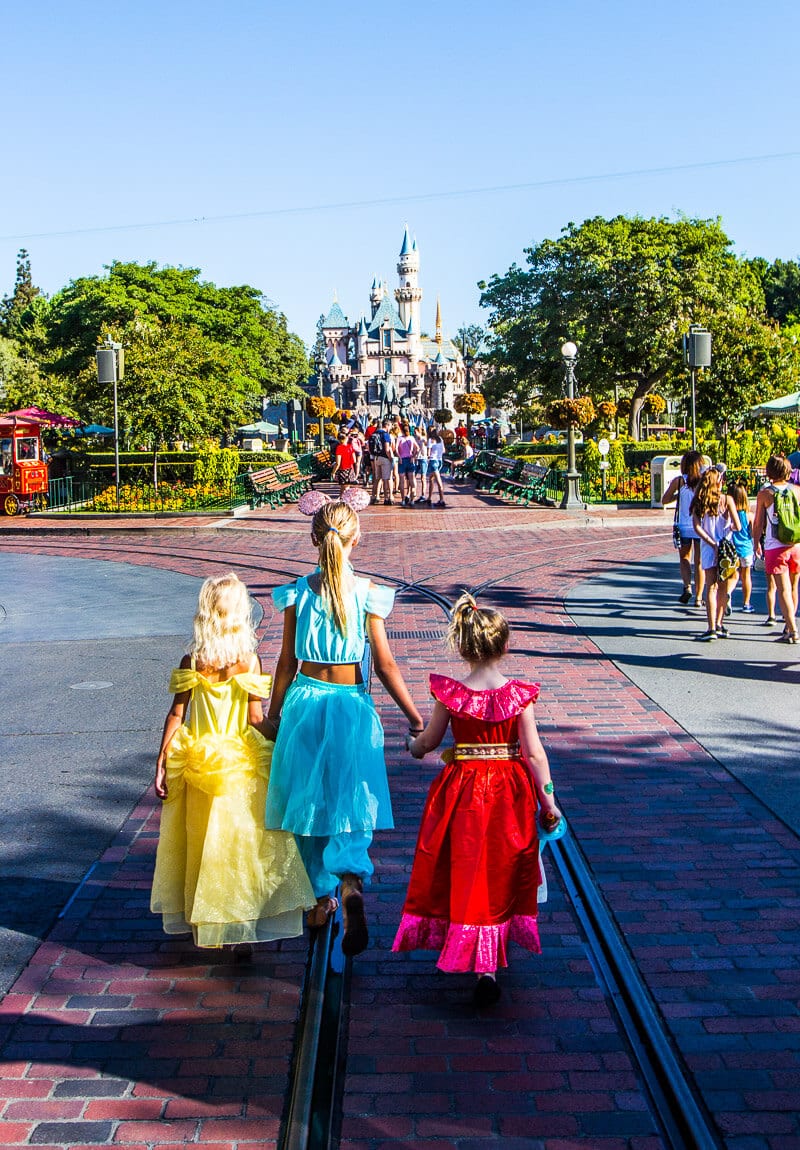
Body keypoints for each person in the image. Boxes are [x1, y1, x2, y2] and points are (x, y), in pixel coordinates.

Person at [264, 499, 424, 955]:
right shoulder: (367, 593)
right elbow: (388, 665)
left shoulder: (298, 591)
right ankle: (351, 884)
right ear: (356, 540)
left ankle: (318, 900)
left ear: (314, 539)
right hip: (350, 705)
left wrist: (274, 716)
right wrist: (415, 720)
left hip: (305, 703)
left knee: (308, 805)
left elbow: (284, 663)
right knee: (351, 801)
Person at [393, 593, 560, 1006]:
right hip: (508, 790)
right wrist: (549, 800)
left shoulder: (450, 694)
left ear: (464, 648)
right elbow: (535, 753)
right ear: (504, 646)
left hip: (463, 789)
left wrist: (412, 746)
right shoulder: (518, 696)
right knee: (500, 867)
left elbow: (429, 742)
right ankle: (489, 962)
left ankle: (469, 944)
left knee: (465, 866)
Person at [150, 573, 315, 953]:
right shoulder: (248, 661)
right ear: (241, 613)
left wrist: (162, 761)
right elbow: (255, 719)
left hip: (198, 762)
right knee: (240, 847)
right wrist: (283, 739)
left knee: (203, 846)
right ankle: (241, 926)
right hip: (239, 763)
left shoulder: (192, 660)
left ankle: (210, 920)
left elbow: (176, 716)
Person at [753, 454, 800, 643]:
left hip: (775, 546)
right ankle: (789, 625)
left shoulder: (766, 494)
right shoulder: (797, 491)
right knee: (794, 587)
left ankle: (793, 630)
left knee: (783, 590)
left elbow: (758, 523)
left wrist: (756, 542)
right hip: (796, 545)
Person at [691, 469, 741, 641]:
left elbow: (697, 527)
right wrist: (726, 530)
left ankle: (711, 627)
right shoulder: (727, 500)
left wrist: (711, 542)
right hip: (726, 547)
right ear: (718, 482)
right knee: (723, 587)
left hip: (708, 548)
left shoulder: (699, 501)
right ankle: (720, 623)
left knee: (710, 586)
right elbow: (738, 526)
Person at [662, 450, 705, 606]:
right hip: (700, 525)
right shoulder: (703, 481)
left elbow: (664, 500)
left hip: (683, 525)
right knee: (700, 562)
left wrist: (677, 495)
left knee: (684, 558)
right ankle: (699, 597)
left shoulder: (679, 481)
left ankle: (687, 587)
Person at [728, 481, 755, 612]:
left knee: (732, 575)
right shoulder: (749, 515)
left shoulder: (728, 515)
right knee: (746, 575)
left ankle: (728, 594)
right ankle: (746, 603)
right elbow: (753, 533)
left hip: (732, 548)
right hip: (746, 548)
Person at [369, 418, 394, 505]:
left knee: (377, 478)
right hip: (385, 458)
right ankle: (388, 497)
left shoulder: (375, 433)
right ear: (387, 425)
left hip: (376, 458)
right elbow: (387, 449)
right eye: (390, 426)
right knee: (387, 478)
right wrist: (390, 458)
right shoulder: (385, 435)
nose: (391, 428)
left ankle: (374, 496)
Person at [396, 421, 418, 506]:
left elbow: (396, 449)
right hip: (410, 460)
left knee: (402, 481)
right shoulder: (412, 438)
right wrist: (413, 456)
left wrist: (399, 457)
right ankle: (412, 499)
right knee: (412, 480)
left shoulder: (399, 438)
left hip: (402, 460)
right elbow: (418, 448)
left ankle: (403, 500)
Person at [427, 430, 447, 507]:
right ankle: (429, 497)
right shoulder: (440, 439)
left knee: (438, 480)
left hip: (433, 460)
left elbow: (428, 452)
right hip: (439, 460)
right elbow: (444, 450)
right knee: (431, 478)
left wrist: (429, 458)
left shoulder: (430, 440)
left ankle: (442, 499)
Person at [413, 426, 429, 503]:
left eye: (415, 432)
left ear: (419, 432)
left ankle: (423, 495)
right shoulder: (415, 439)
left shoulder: (423, 439)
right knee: (413, 476)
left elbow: (427, 444)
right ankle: (413, 492)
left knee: (423, 477)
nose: (414, 433)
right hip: (417, 459)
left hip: (423, 459)